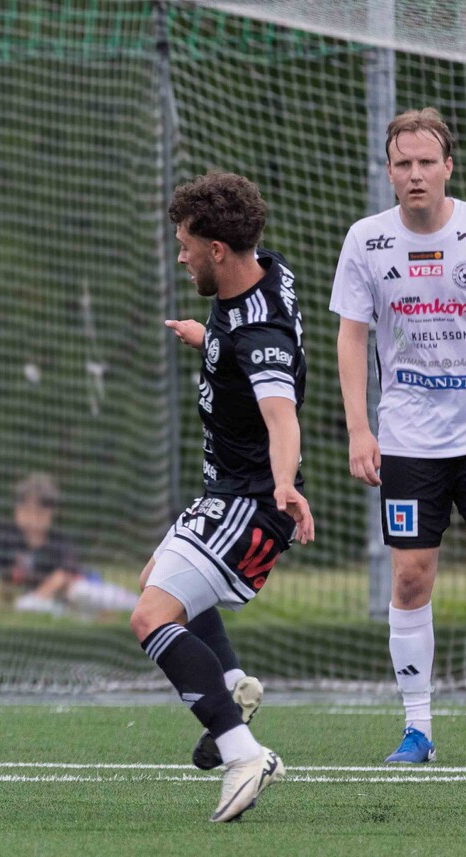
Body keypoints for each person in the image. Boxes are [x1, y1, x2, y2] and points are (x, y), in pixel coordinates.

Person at [132, 172, 313, 822]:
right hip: (229, 492)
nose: (180, 256)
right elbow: (241, 344)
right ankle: (232, 688)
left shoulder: (259, 336)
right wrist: (205, 338)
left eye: (185, 244)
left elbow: (280, 413)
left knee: (151, 616)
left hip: (251, 500)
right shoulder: (265, 269)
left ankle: (242, 753)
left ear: (216, 249)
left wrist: (285, 482)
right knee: (158, 581)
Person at [330, 107, 466, 765]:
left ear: (448, 167)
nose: (415, 174)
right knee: (411, 578)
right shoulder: (366, 239)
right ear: (388, 172)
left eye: (426, 162)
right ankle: (419, 730)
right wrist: (360, 428)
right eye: (403, 164)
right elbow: (352, 337)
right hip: (409, 437)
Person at [0, 472, 137, 614]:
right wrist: (9, 610)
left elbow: (63, 576)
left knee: (80, 592)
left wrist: (34, 599)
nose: (32, 519)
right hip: (55, 603)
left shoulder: (59, 543)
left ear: (50, 514)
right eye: (26, 511)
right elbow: (5, 580)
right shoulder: (8, 540)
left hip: (83, 587)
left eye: (39, 513)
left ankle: (130, 602)